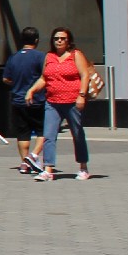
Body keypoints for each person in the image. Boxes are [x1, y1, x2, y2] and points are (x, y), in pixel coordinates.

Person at [24, 27, 93, 182]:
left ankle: (83, 167)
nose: (59, 41)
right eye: (56, 38)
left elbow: (84, 75)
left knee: (77, 134)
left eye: (62, 38)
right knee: (49, 135)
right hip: (52, 102)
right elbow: (44, 78)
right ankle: (48, 169)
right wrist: (32, 90)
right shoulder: (49, 56)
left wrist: (82, 95)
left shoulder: (75, 55)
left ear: (68, 41)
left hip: (72, 101)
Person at [0, 27, 48, 173]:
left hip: (18, 100)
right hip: (37, 100)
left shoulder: (13, 57)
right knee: (43, 131)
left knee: (22, 133)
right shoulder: (41, 57)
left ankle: (24, 163)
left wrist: (16, 83)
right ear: (36, 40)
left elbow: (5, 78)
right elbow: (46, 76)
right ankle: (33, 156)